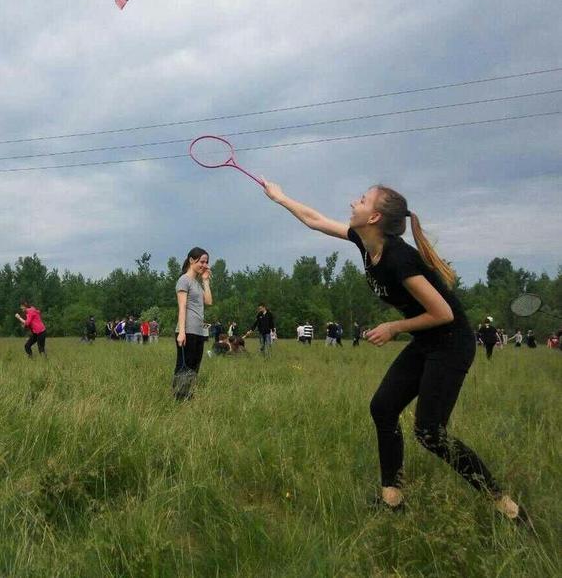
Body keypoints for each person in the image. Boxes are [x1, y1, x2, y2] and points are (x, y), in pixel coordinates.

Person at [260, 180, 527, 522]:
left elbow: (443, 313)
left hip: (451, 344)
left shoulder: (400, 259)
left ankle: (507, 508)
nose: (353, 201)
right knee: (383, 408)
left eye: (362, 199)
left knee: (430, 433)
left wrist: (393, 327)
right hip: (428, 341)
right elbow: (314, 219)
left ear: (374, 217)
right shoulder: (364, 241)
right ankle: (392, 498)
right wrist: (280, 197)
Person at [172, 247, 213, 400]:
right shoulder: (184, 280)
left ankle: (188, 395)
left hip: (198, 332)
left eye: (206, 262)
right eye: (201, 261)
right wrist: (181, 332)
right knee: (184, 366)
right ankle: (179, 398)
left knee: (195, 366)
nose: (204, 265)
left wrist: (205, 280)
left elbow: (208, 301)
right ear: (191, 260)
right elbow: (182, 307)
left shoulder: (196, 283)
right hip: (187, 330)